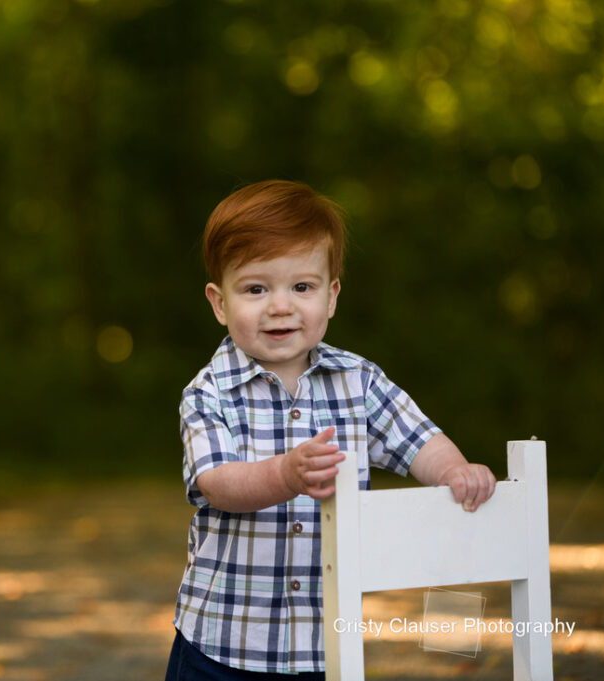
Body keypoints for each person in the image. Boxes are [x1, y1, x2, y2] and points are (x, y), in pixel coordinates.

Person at [165, 180, 496, 680]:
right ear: (219, 302)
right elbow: (217, 484)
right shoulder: (210, 392)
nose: (281, 306)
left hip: (324, 644)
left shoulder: (358, 382)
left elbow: (417, 437)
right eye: (256, 289)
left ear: (332, 295)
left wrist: (452, 468)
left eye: (302, 287)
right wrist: (285, 475)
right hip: (223, 642)